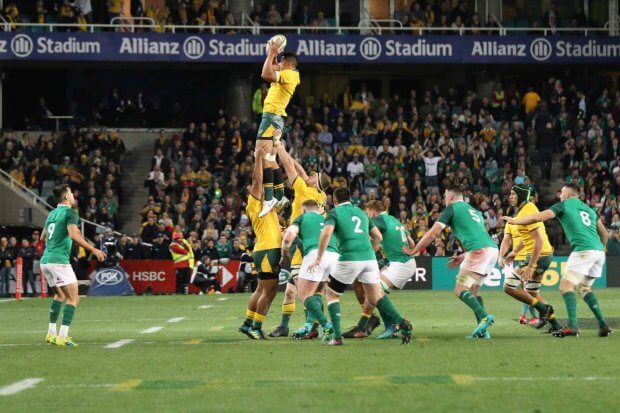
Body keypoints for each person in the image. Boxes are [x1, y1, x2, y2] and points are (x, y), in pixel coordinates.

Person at [502, 183, 612, 338]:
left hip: (583, 251)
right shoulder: (589, 209)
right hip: (598, 252)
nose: (560, 196)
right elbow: (604, 234)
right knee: (584, 288)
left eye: (562, 193)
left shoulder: (563, 205)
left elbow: (536, 217)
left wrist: (515, 221)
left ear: (567, 195)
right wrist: (603, 248)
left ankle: (573, 327)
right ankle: (603, 325)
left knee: (565, 288)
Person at [309, 187, 413, 345]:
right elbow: (377, 236)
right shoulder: (360, 213)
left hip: (349, 258)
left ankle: (337, 337)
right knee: (375, 296)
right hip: (370, 259)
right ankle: (402, 323)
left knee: (331, 295)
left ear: (335, 201)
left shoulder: (334, 213)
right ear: (350, 199)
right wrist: (370, 250)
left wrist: (318, 257)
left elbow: (326, 233)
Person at [411, 186, 497, 339]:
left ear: (450, 196)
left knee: (460, 289)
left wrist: (414, 250)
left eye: (444, 196)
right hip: (491, 250)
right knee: (474, 290)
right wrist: (464, 255)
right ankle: (483, 331)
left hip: (478, 252)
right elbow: (478, 236)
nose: (444, 199)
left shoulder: (452, 209)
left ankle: (484, 317)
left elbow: (432, 234)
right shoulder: (474, 211)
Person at [268, 136, 331, 338]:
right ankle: (287, 326)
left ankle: (312, 326)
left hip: (300, 243)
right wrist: (287, 150)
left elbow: (288, 167)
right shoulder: (320, 196)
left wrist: (278, 147)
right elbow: (301, 171)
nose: (310, 176)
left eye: (315, 176)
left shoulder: (305, 191)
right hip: (309, 241)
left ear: (316, 183)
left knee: (304, 291)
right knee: (291, 291)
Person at [41, 184, 106, 347]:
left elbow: (43, 236)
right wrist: (93, 248)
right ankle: (63, 336)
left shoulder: (52, 213)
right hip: (58, 261)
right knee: (73, 298)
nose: (73, 196)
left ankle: (51, 333)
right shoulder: (70, 212)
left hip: (46, 261)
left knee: (60, 296)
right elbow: (72, 235)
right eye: (71, 193)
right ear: (65, 197)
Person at [343, 200, 417, 339]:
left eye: (367, 213)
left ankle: (394, 325)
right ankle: (365, 324)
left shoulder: (378, 220)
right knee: (362, 281)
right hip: (400, 261)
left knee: (376, 290)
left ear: (372, 211)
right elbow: (411, 242)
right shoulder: (394, 220)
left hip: (399, 264)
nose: (367, 216)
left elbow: (363, 233)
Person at [498, 185, 563, 332]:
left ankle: (543, 309)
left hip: (538, 256)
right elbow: (527, 238)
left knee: (508, 286)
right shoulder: (526, 210)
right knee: (532, 292)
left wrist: (532, 265)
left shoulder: (527, 210)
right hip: (544, 255)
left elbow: (538, 240)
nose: (510, 196)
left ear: (521, 195)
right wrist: (514, 251)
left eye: (514, 194)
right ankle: (556, 325)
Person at [239, 148, 282, 340]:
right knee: (269, 290)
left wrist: (270, 156)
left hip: (265, 249)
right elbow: (257, 181)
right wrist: (257, 158)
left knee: (261, 289)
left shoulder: (267, 205)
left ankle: (248, 323)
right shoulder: (254, 204)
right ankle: (256, 326)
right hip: (267, 250)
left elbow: (270, 178)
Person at [281, 199, 337, 339]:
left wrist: (284, 253)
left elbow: (288, 238)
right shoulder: (327, 218)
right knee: (317, 292)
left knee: (304, 294)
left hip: (315, 255)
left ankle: (327, 326)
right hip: (334, 256)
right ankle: (309, 325)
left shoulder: (302, 217)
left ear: (304, 209)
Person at [257, 40, 300, 217]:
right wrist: (273, 54)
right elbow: (272, 67)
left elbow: (265, 74)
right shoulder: (288, 73)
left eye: (282, 62)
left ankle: (269, 198)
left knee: (261, 155)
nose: (279, 65)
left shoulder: (289, 73)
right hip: (276, 117)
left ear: (288, 63)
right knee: (272, 159)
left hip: (271, 116)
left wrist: (271, 53)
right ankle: (280, 196)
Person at [499, 222, 539, 325]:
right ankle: (534, 316)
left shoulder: (527, 220)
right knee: (524, 289)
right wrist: (501, 256)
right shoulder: (509, 224)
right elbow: (506, 240)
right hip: (516, 259)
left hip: (528, 258)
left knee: (526, 288)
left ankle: (526, 316)